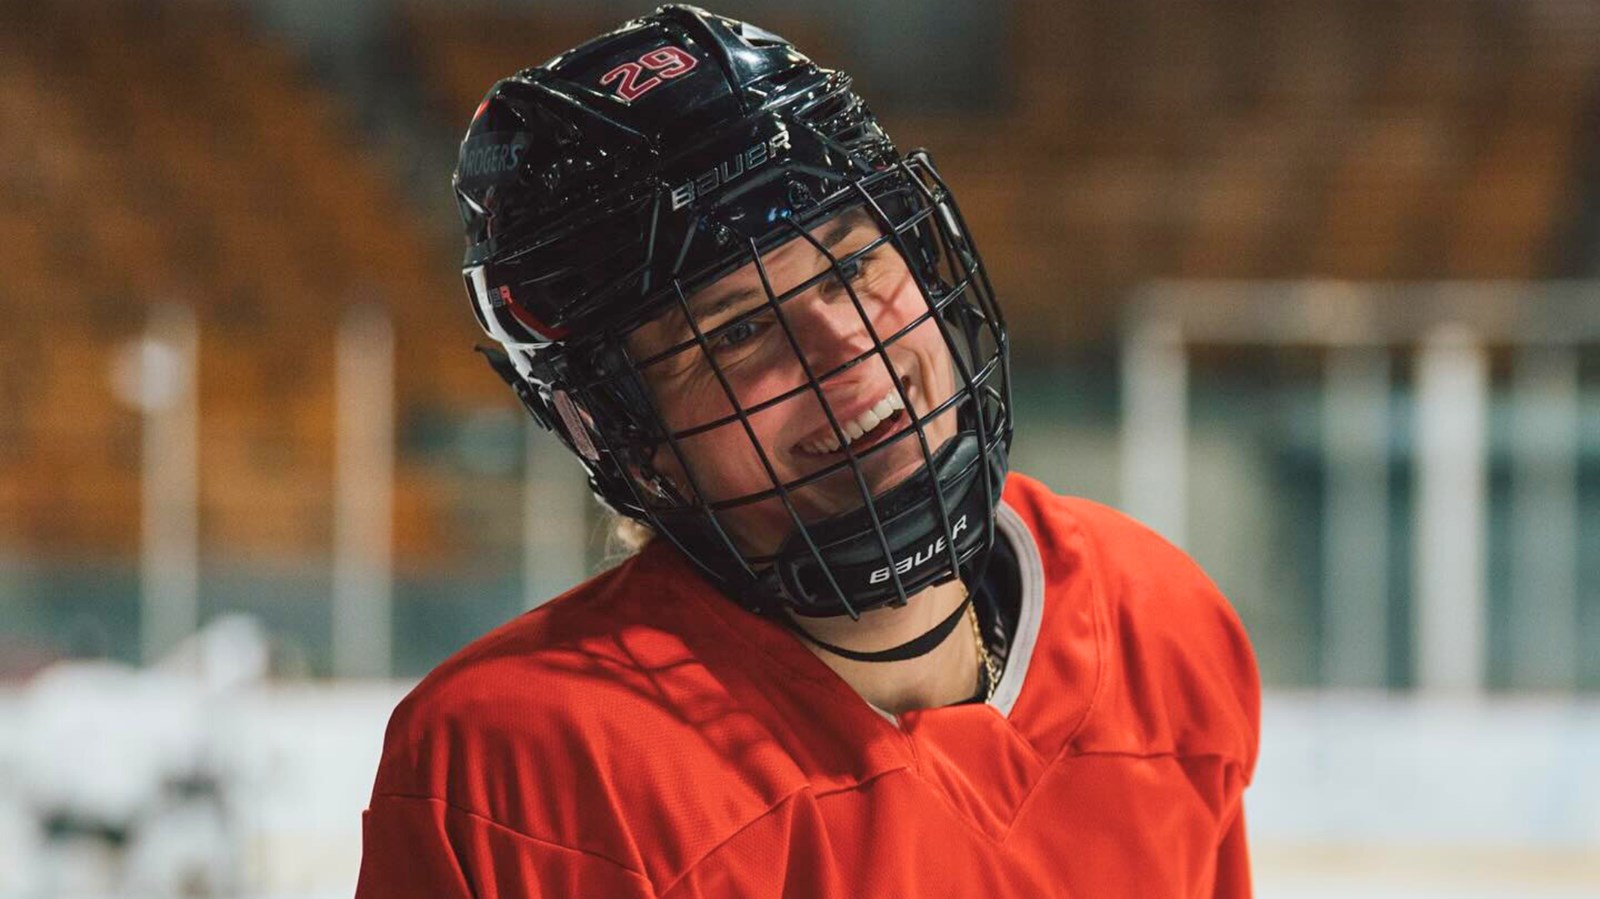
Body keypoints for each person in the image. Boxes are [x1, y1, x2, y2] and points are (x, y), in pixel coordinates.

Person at [356, 6, 1259, 897]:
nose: (849, 347)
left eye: (852, 265)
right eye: (740, 329)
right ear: (625, 435)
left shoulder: (1156, 626)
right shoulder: (533, 774)